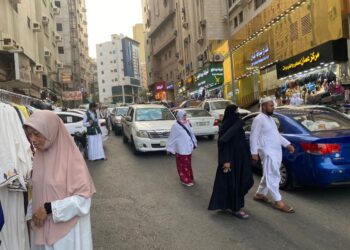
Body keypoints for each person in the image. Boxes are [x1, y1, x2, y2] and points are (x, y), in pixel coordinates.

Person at [24, 110, 96, 250]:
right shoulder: (39, 157)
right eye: (30, 134)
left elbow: (84, 200)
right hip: (41, 228)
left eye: (37, 133)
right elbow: (39, 189)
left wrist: (49, 208)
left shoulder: (72, 159)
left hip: (67, 236)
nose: (32, 139)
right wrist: (30, 214)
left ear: (50, 130)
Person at [250, 96, 295, 213]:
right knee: (273, 175)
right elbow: (253, 136)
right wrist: (254, 152)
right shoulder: (259, 119)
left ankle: (260, 194)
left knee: (268, 174)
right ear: (264, 106)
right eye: (271, 105)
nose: (273, 107)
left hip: (275, 151)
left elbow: (276, 136)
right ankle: (278, 201)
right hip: (267, 152)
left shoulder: (270, 119)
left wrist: (287, 145)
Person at [208, 105, 254, 219]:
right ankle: (236, 209)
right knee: (234, 184)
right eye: (235, 112)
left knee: (243, 181)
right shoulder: (228, 126)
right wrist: (226, 161)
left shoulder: (236, 124)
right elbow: (224, 144)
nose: (237, 114)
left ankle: (229, 204)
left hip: (240, 160)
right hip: (231, 162)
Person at [166, 110, 197, 187]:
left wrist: (194, 142)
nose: (185, 117)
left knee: (188, 165)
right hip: (181, 149)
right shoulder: (175, 126)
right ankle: (185, 180)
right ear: (180, 116)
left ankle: (189, 178)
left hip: (188, 148)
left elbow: (191, 133)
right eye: (183, 115)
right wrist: (169, 148)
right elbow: (172, 137)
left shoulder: (187, 123)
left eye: (185, 115)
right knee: (183, 165)